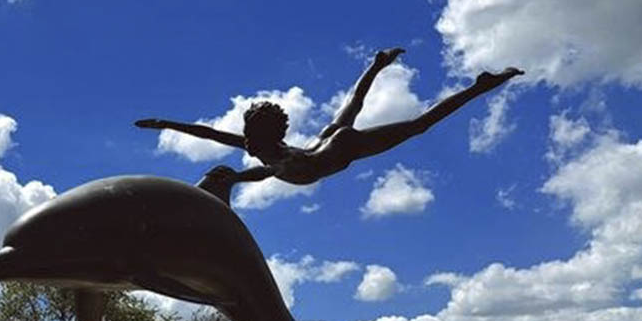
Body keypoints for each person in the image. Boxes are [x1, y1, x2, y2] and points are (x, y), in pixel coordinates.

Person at [135, 48, 523, 203]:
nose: (245, 141)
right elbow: (210, 133)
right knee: (349, 110)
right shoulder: (256, 143)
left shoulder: (273, 158)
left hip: (335, 152)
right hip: (322, 147)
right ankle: (376, 64)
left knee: (417, 125)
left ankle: (480, 87)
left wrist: (234, 180)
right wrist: (165, 123)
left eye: (251, 135)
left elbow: (266, 172)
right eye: (247, 134)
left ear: (268, 136)